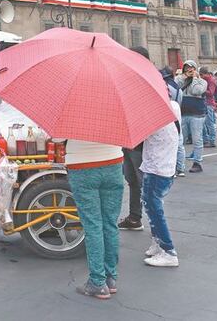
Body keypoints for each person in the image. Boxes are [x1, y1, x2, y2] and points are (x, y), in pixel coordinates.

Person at [63, 139, 124, 299]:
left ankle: (97, 282)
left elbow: (56, 138)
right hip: (113, 162)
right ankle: (110, 278)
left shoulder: (70, 113)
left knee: (93, 225)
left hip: (82, 166)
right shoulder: (115, 112)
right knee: (110, 223)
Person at [141, 98, 183, 267]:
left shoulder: (152, 113)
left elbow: (140, 135)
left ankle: (168, 250)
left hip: (157, 167)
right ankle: (158, 242)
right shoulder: (173, 106)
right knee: (151, 206)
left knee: (154, 209)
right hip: (163, 165)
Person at [119, 47, 149, 231]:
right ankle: (134, 217)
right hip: (128, 139)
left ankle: (156, 225)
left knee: (143, 182)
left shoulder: (148, 80)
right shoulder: (129, 78)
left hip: (142, 141)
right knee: (132, 179)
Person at [176, 61, 208, 173]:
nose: (189, 70)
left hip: (197, 114)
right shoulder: (181, 79)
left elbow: (196, 91)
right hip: (183, 113)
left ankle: (197, 162)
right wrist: (184, 77)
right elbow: (176, 87)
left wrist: (194, 78)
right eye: (187, 68)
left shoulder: (202, 82)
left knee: (197, 139)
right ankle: (179, 165)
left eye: (192, 68)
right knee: (180, 140)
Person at [161, 67, 186, 177]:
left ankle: (172, 169)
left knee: (168, 143)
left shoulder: (163, 85)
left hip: (166, 112)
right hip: (176, 110)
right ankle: (181, 168)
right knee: (179, 141)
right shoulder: (178, 88)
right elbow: (180, 101)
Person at [199, 66, 217, 148]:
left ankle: (212, 141)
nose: (200, 77)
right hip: (204, 102)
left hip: (209, 103)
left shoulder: (211, 81)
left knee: (210, 123)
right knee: (203, 123)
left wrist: (201, 89)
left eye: (201, 75)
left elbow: (211, 93)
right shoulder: (206, 80)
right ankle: (206, 139)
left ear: (204, 74)